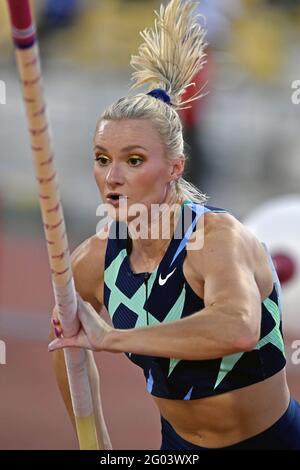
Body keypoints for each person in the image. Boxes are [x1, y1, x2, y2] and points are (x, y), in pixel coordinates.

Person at [48, 0, 300, 450]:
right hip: (179, 448)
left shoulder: (216, 238)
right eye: (103, 160)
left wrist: (113, 337)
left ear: (175, 168)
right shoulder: (94, 259)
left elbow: (237, 327)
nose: (113, 177)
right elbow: (67, 343)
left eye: (134, 160)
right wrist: (94, 439)